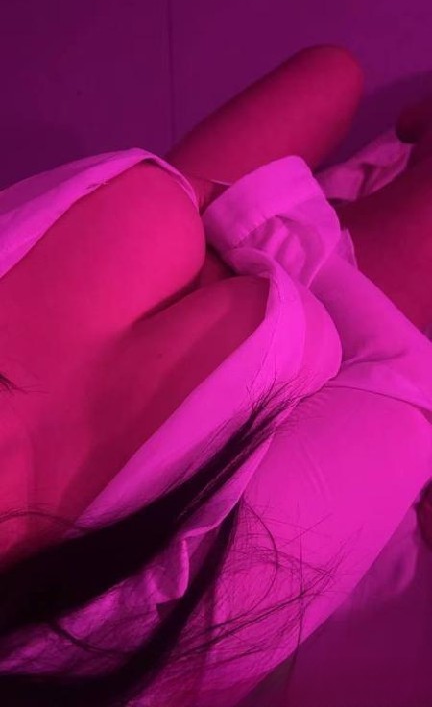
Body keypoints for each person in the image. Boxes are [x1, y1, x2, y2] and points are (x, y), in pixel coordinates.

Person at [0, 44, 431, 707]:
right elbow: (398, 393)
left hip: (228, 226)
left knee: (333, 71)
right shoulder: (141, 632)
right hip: (341, 311)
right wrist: (260, 225)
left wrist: (205, 207)